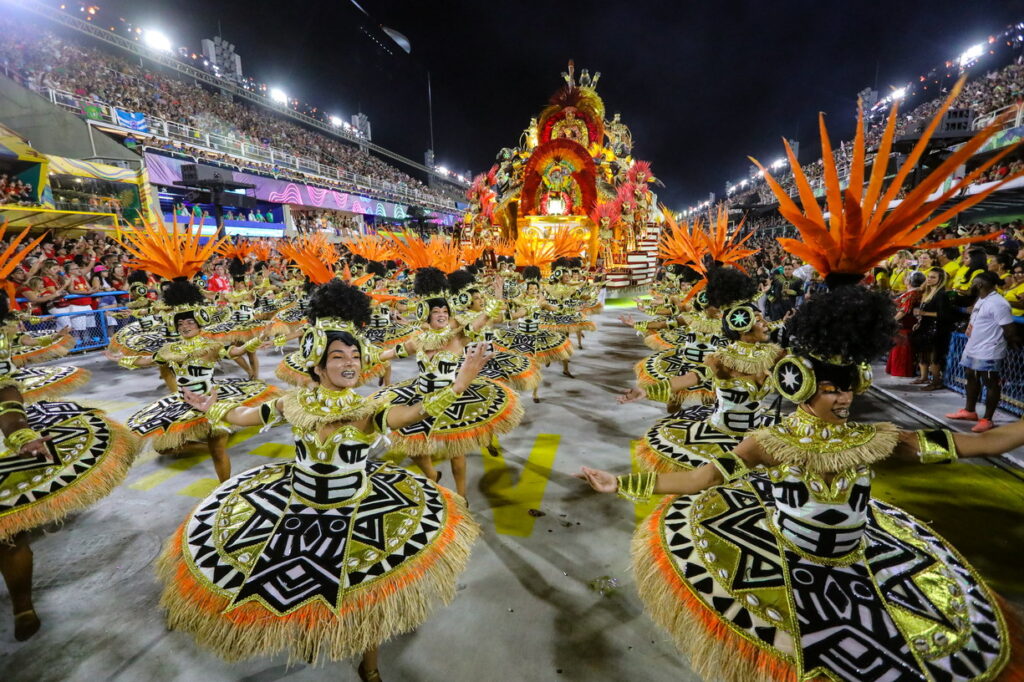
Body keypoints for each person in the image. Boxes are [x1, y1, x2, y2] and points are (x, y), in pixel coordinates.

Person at [576, 285, 1017, 681]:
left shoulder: (879, 440)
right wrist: (621, 483)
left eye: (848, 388)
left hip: (858, 562)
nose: (844, 398)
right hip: (787, 558)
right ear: (802, 386)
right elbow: (702, 477)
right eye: (831, 389)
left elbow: (975, 446)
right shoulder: (768, 442)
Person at [158, 286, 483, 679]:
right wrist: (216, 407)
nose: (350, 364)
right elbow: (247, 417)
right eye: (338, 357)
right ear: (317, 365)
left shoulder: (367, 409)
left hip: (357, 509)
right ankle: (315, 637)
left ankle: (371, 667)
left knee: (361, 597)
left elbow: (413, 413)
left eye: (354, 357)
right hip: (296, 506)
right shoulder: (292, 405)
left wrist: (459, 384)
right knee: (296, 589)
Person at [945, 271, 1018, 432]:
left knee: (990, 382)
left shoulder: (998, 303)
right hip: (973, 347)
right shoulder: (982, 300)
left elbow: (1009, 329)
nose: (970, 286)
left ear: (979, 285)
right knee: (971, 376)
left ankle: (987, 419)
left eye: (972, 283)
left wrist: (1011, 344)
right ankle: (969, 411)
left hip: (989, 349)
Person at [910, 268, 954, 390]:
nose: (929, 279)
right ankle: (924, 377)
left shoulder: (941, 295)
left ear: (940, 280)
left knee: (935, 357)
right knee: (924, 354)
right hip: (925, 327)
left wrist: (924, 313)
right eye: (928, 276)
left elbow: (944, 315)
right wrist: (920, 320)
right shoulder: (928, 292)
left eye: (933, 277)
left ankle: (936, 382)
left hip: (937, 329)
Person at [885, 270, 924, 377]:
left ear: (909, 281)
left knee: (902, 349)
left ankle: (901, 371)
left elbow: (904, 311)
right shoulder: (913, 292)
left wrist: (891, 321)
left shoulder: (912, 294)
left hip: (904, 325)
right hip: (904, 325)